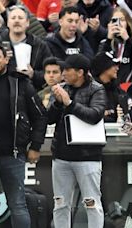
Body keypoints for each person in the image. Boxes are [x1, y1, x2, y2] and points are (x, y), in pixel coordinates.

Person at [0, 41, 48, 228]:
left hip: (14, 154)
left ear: (5, 59)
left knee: (18, 204)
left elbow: (41, 116)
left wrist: (35, 146)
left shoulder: (21, 83)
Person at [47, 54, 106, 228]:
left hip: (88, 157)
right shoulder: (62, 88)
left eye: (67, 69)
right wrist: (57, 104)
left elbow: (95, 115)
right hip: (61, 156)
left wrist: (69, 102)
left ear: (80, 72)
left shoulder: (97, 89)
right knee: (60, 204)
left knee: (92, 204)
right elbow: (49, 119)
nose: (63, 73)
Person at [0, 4, 52, 90]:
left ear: (27, 23)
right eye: (13, 18)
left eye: (20, 18)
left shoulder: (40, 45)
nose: (17, 21)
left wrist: (33, 74)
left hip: (32, 91)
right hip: (4, 90)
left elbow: (51, 72)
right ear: (7, 22)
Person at [98, 7, 132, 92]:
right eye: (115, 20)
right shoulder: (104, 43)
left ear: (128, 22)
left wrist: (128, 40)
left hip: (130, 87)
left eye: (122, 20)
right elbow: (99, 66)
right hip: (110, 89)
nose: (118, 24)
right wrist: (109, 39)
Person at [91, 51, 128, 123]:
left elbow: (125, 116)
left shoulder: (118, 91)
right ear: (104, 68)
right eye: (114, 65)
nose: (117, 68)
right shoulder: (89, 90)